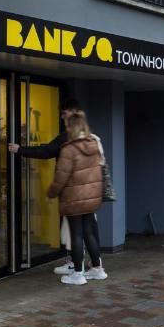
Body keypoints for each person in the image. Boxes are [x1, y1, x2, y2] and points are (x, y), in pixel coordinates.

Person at [9, 97, 92, 275]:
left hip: (73, 193)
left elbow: (48, 152)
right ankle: (96, 267)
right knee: (88, 230)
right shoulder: (92, 138)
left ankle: (77, 269)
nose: (63, 118)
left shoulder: (67, 140)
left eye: (64, 114)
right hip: (90, 193)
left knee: (73, 232)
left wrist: (20, 150)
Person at [46, 111, 107, 285]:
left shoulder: (69, 149)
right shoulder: (94, 144)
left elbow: (61, 177)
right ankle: (97, 269)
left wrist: (51, 193)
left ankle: (78, 274)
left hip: (74, 199)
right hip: (92, 198)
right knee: (89, 233)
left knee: (77, 235)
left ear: (70, 128)